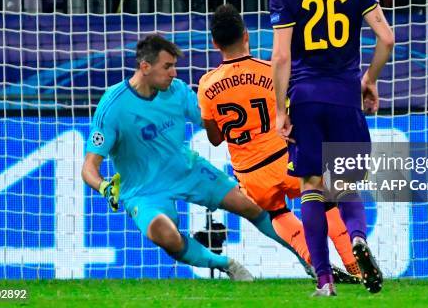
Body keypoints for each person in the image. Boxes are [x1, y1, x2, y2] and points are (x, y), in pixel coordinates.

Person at [81, 35, 297, 281]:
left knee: (254, 206)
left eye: (174, 66)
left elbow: (212, 123)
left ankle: (310, 262)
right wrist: (104, 187)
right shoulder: (113, 106)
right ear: (145, 67)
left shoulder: (177, 92)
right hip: (144, 191)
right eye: (167, 67)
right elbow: (89, 167)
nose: (174, 73)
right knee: (165, 235)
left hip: (187, 170)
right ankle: (227, 264)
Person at [269, 0, 394, 296]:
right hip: (345, 96)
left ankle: (325, 281)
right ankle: (357, 237)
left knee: (310, 185)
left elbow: (281, 57)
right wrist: (368, 79)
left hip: (305, 98)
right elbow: (387, 39)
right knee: (344, 184)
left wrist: (279, 109)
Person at [197, 3, 362, 283]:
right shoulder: (269, 72)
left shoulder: (206, 85)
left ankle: (314, 262)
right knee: (326, 202)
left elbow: (214, 139)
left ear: (215, 44)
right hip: (284, 158)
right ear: (246, 35)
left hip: (251, 174)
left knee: (277, 213)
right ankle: (354, 263)